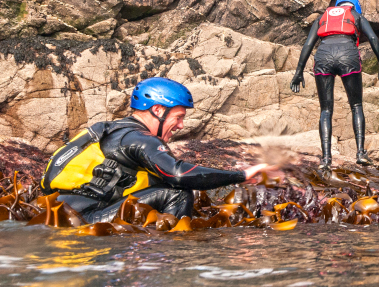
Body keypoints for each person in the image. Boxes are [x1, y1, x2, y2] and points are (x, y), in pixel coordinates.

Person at [42, 78, 278, 224]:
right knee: (177, 193)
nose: (181, 125)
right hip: (84, 219)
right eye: (178, 117)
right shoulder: (139, 139)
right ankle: (171, 256)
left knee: (162, 187)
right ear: (157, 110)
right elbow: (178, 174)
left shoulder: (118, 131)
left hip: (62, 213)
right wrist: (243, 175)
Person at [290, 0, 379, 167]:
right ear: (354, 6)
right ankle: (360, 153)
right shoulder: (356, 15)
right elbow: (373, 38)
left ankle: (326, 159)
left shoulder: (323, 17)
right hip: (347, 54)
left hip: (323, 56)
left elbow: (308, 44)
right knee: (356, 105)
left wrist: (299, 72)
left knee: (326, 110)